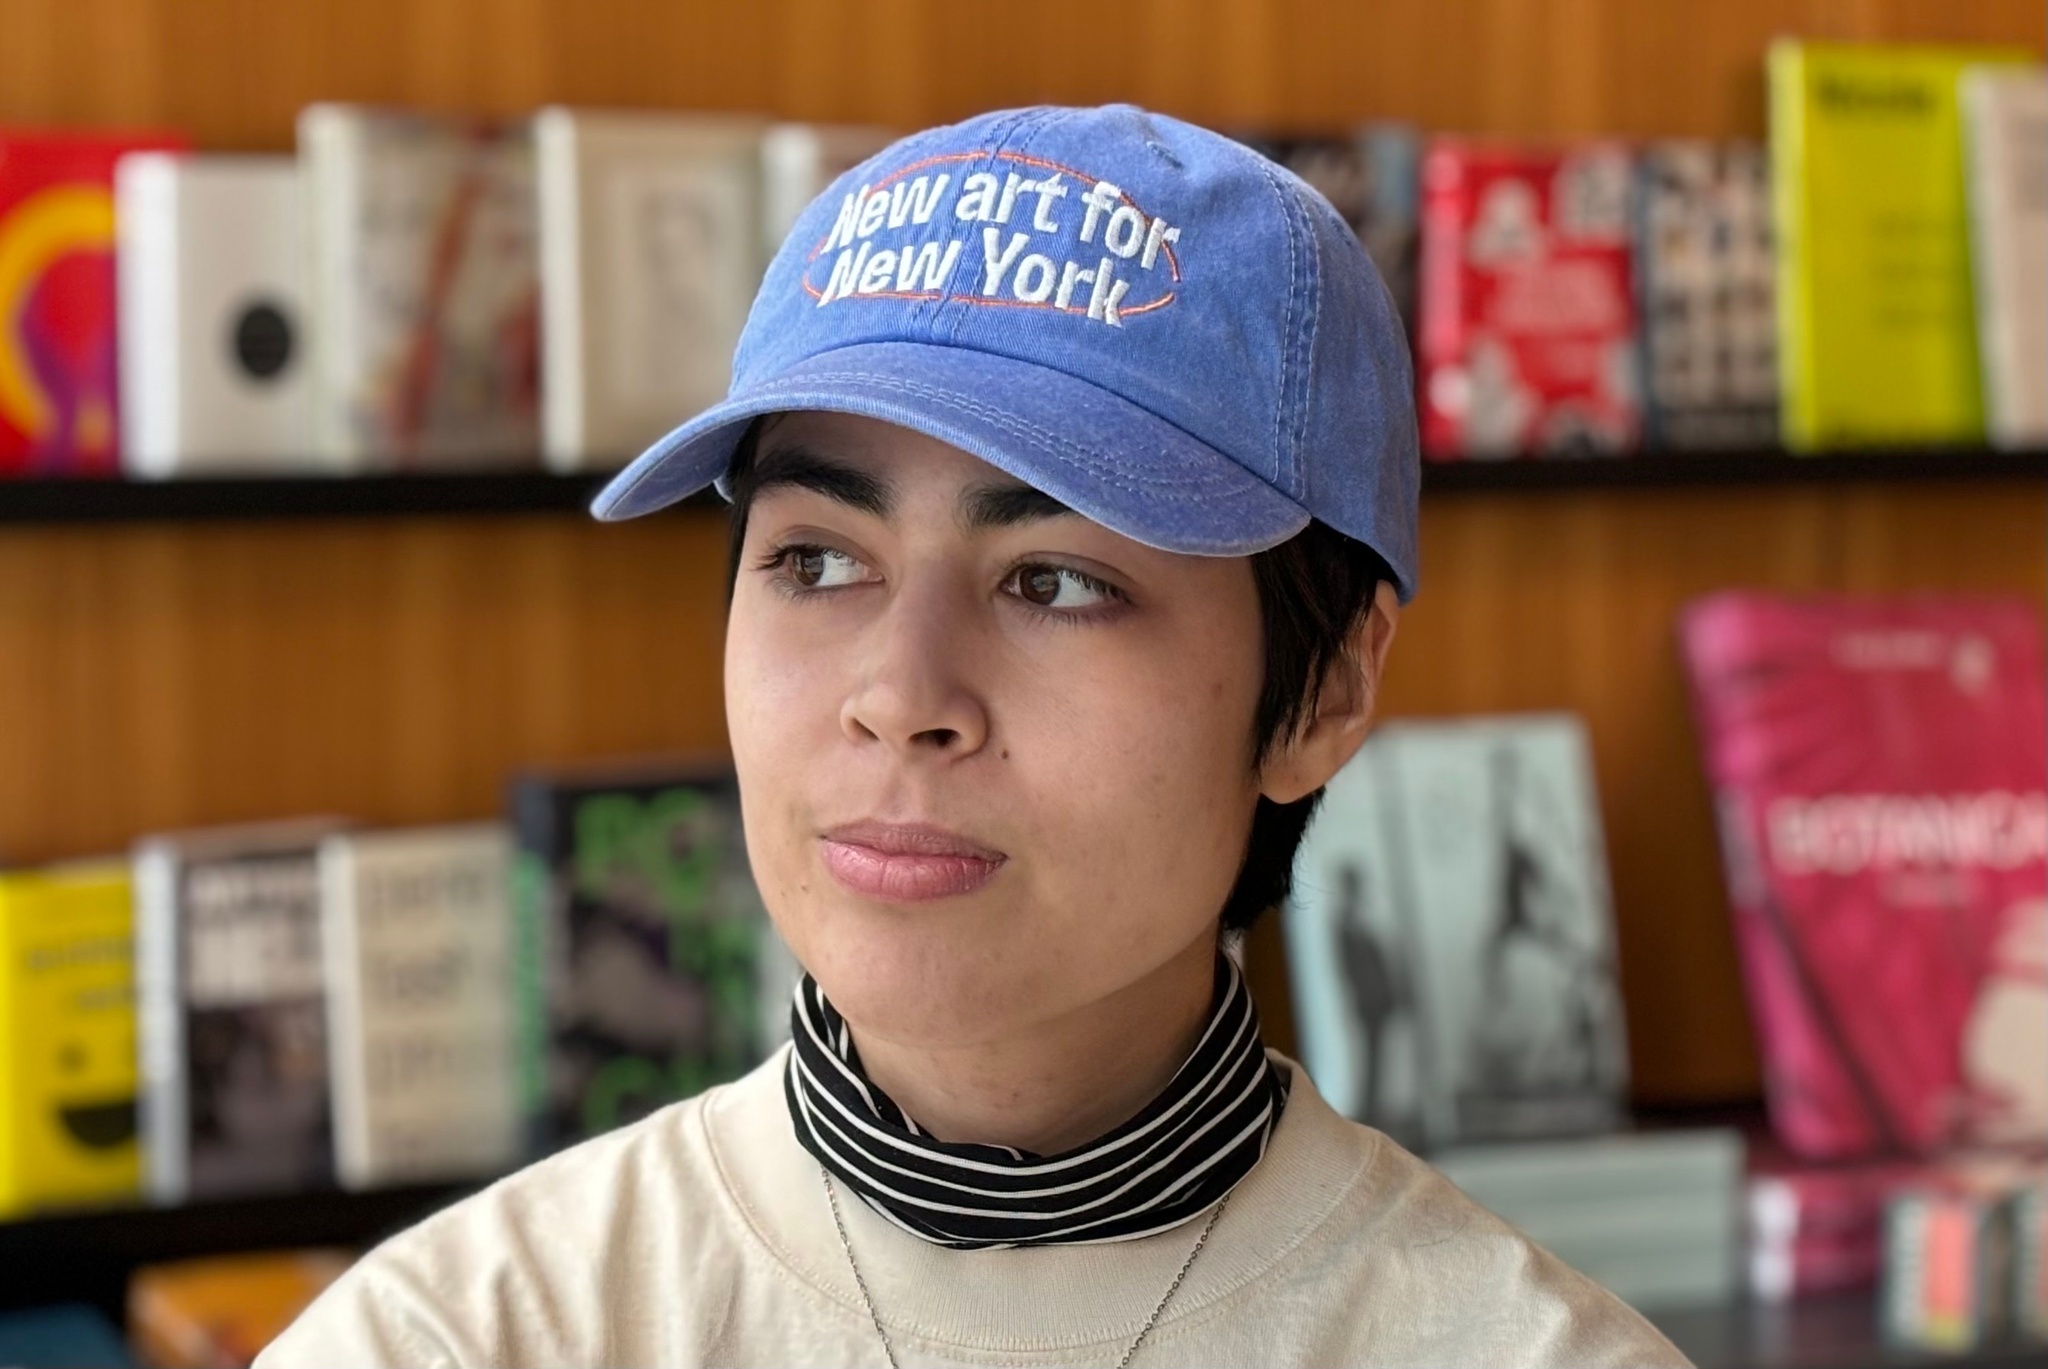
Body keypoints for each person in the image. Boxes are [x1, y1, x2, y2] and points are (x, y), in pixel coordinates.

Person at [260, 103, 1690, 1369]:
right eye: (817, 560)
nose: (901, 692)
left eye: (1057, 580)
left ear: (1323, 691)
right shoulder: (461, 1335)